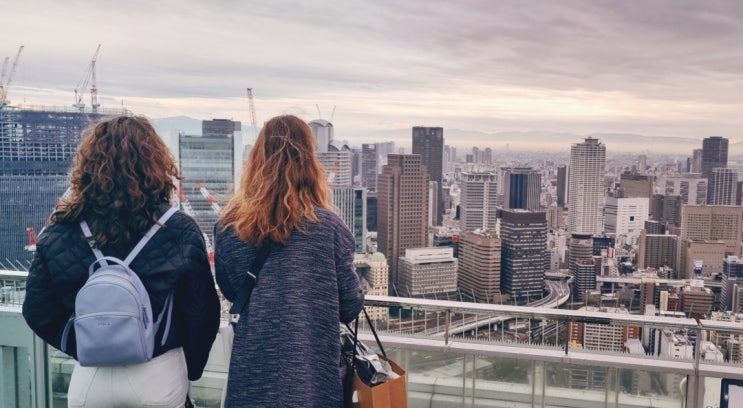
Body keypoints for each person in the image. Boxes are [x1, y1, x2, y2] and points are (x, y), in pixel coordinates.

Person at [22, 115, 221, 407]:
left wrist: (82, 344)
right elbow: (201, 311)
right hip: (157, 371)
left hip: (90, 377)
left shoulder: (61, 228)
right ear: (155, 164)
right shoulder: (178, 229)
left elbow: (37, 307)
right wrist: (192, 368)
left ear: (88, 166)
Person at [215, 114, 364, 408]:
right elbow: (349, 305)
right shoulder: (329, 227)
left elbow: (233, 291)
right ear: (310, 162)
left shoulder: (229, 226)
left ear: (256, 161)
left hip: (252, 374)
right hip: (313, 377)